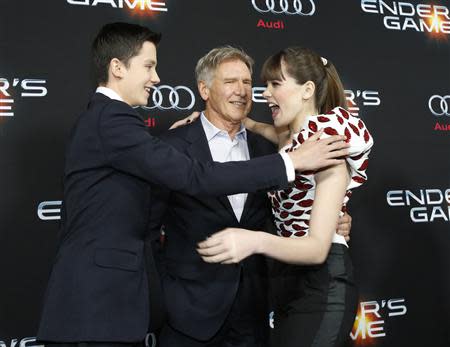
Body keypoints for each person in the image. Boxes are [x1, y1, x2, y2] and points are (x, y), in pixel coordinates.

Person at [36, 22, 350, 347]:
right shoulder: (121, 124)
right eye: (149, 66)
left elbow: (285, 212)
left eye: (247, 81)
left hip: (251, 313)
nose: (156, 77)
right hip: (142, 311)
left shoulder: (267, 146)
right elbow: (184, 187)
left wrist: (327, 221)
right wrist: (292, 162)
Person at [149, 46, 353, 347]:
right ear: (204, 89)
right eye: (231, 81)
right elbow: (148, 230)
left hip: (255, 313)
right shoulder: (172, 146)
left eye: (247, 82)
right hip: (189, 315)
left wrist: (338, 214)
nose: (244, 91)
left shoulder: (273, 149)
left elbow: (301, 205)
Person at [198, 47, 374, 347]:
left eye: (275, 84)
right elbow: (263, 130)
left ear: (307, 90)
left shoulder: (328, 144)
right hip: (284, 284)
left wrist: (252, 241)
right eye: (265, 85)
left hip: (322, 284)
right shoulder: (288, 139)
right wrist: (203, 119)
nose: (264, 94)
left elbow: (317, 248)